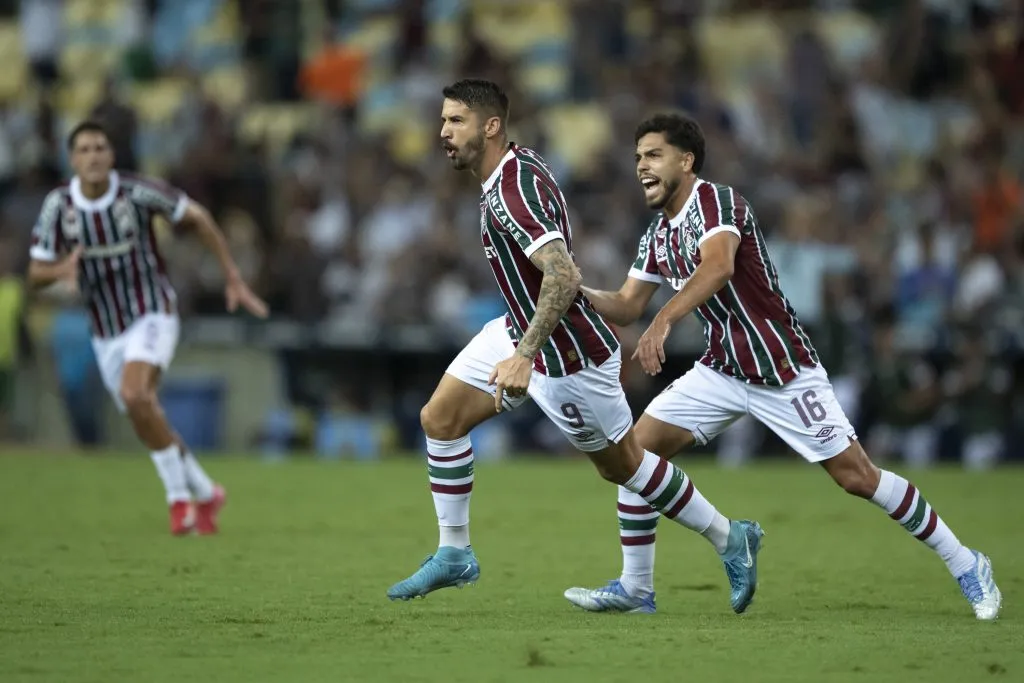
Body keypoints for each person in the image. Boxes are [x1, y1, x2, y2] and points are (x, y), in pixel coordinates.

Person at [563, 113, 1001, 621]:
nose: (642, 165)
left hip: (782, 368)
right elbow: (625, 304)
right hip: (722, 369)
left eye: (654, 155)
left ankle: (967, 562)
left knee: (857, 476)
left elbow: (719, 265)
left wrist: (664, 319)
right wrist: (575, 290)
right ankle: (637, 588)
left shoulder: (716, 201)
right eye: (638, 156)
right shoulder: (658, 235)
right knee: (633, 457)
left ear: (686, 161)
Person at [387, 80, 764, 610]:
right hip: (519, 327)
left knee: (624, 466)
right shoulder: (513, 168)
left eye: (456, 121)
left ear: (490, 127)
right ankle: (454, 553)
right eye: (443, 120)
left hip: (568, 355)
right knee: (440, 419)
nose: (443, 132)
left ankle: (730, 537)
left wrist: (524, 357)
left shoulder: (512, 190)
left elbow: (563, 276)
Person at [26, 121, 269, 535]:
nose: (93, 156)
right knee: (146, 414)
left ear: (111, 155)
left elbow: (198, 217)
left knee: (135, 394)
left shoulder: (136, 193)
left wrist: (231, 274)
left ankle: (179, 501)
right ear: (72, 160)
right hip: (105, 330)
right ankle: (207, 492)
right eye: (84, 149)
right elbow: (35, 271)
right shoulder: (58, 206)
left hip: (152, 312)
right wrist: (60, 270)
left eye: (100, 147)